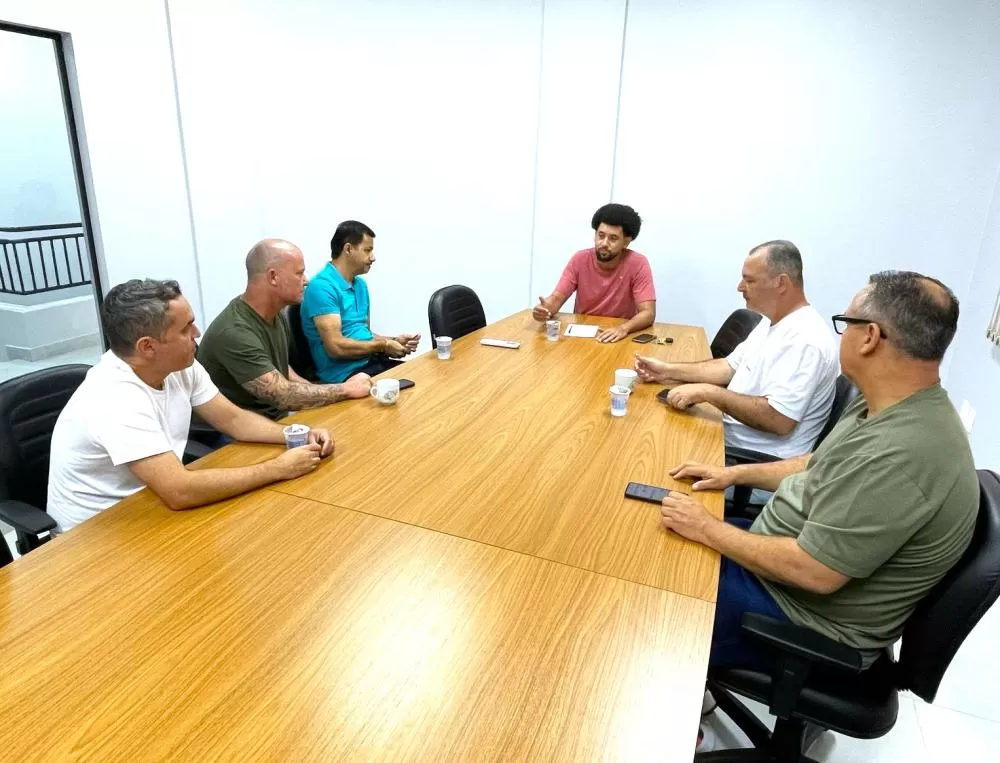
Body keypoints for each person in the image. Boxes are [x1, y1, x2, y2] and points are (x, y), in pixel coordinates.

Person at [660, 271, 977, 711]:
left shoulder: (904, 452)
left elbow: (816, 572)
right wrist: (736, 474)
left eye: (845, 323)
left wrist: (709, 530)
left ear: (870, 337)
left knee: (646, 601)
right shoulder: (888, 403)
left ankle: (666, 721)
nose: (841, 335)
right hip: (780, 566)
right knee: (654, 533)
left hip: (800, 617)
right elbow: (820, 463)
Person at [47, 279, 335, 532]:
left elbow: (234, 419)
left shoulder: (180, 364)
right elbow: (179, 491)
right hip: (95, 534)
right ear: (148, 347)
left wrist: (296, 434)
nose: (197, 332)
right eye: (186, 329)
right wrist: (278, 468)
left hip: (149, 503)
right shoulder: (114, 397)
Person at [635, 240, 838, 459]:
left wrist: (707, 392)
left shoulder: (806, 339)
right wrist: (666, 371)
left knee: (648, 449)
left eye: (749, 280)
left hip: (750, 462)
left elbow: (778, 420)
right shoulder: (775, 321)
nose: (740, 287)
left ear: (781, 283)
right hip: (727, 435)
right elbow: (727, 367)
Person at [197, 239, 372, 420]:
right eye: (299, 273)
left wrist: (318, 391)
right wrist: (345, 389)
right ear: (273, 277)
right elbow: (282, 395)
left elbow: (278, 368)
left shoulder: (275, 314)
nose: (306, 281)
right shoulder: (234, 331)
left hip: (272, 419)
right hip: (229, 435)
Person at [300, 220, 421, 383]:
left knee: (422, 377)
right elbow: (335, 346)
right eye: (367, 250)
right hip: (345, 375)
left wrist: (393, 340)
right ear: (348, 249)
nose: (373, 257)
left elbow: (363, 334)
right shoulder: (321, 287)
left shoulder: (360, 285)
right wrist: (384, 346)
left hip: (372, 362)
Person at [532, 203, 655, 343]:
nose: (603, 243)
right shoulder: (580, 259)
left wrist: (623, 328)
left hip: (618, 335)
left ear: (626, 242)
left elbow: (648, 313)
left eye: (613, 238)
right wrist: (545, 310)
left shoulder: (638, 263)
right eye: (600, 235)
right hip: (582, 335)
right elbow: (557, 298)